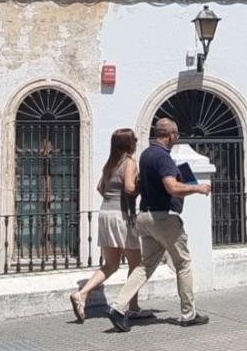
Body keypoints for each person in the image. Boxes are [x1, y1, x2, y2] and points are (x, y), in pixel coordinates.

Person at [107, 117, 212, 332]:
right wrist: (198, 188)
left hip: (144, 218)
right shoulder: (163, 157)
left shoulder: (145, 155)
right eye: (176, 135)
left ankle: (118, 307)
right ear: (170, 135)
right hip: (163, 218)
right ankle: (188, 314)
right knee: (183, 264)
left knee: (146, 266)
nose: (176, 138)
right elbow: (172, 187)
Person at [70, 128, 146, 322]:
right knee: (136, 264)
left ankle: (82, 294)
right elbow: (129, 187)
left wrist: (110, 200)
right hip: (122, 216)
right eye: (134, 139)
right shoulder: (129, 163)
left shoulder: (109, 165)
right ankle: (133, 306)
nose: (137, 142)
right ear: (128, 144)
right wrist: (141, 186)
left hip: (105, 214)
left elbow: (99, 187)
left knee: (110, 264)